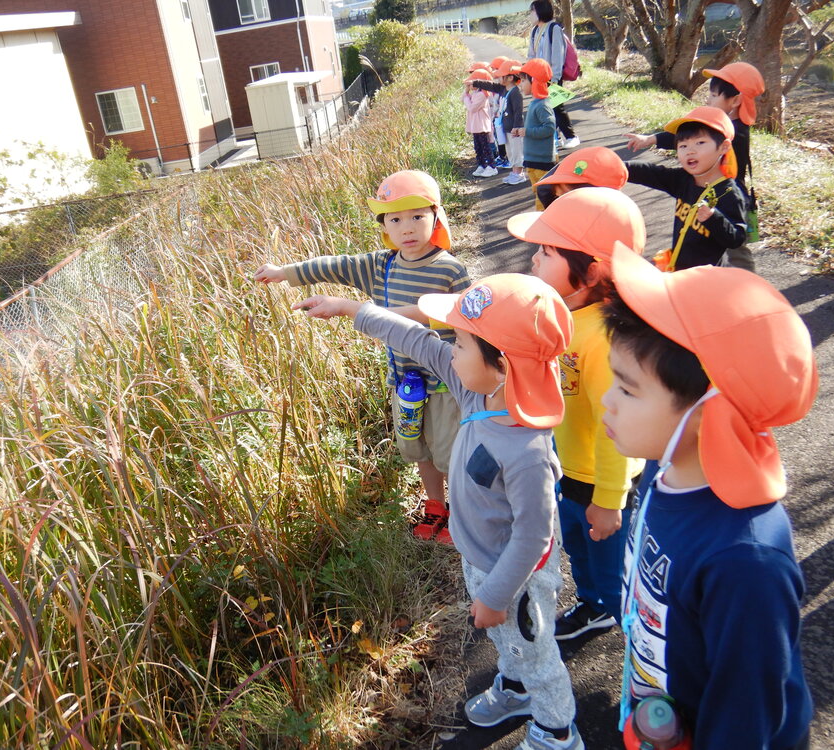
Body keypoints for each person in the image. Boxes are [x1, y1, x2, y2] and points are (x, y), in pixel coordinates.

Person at [293, 274, 583, 750]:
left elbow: (534, 536)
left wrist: (493, 595)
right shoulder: (476, 391)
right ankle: (514, 688)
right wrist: (351, 309)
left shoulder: (527, 450)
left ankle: (557, 729)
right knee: (513, 646)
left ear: (503, 365)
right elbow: (419, 340)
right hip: (484, 559)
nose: (450, 352)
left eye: (462, 344)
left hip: (516, 578)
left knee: (538, 654)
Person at [602, 244, 816, 750]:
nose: (606, 401)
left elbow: (747, 711)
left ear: (708, 415)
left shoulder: (745, 562)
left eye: (628, 390)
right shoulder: (665, 464)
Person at [254, 170, 470, 542]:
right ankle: (435, 507)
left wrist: (367, 311)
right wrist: (284, 272)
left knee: (450, 452)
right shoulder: (381, 266)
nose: (407, 227)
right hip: (404, 381)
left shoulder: (449, 269)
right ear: (384, 225)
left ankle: (464, 517)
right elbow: (332, 265)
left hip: (446, 382)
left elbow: (465, 312)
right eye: (395, 218)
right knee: (417, 448)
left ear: (436, 216)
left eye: (417, 216)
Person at [508, 188, 646, 641]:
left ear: (587, 273)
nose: (533, 261)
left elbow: (618, 429)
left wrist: (610, 499)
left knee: (606, 552)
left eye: (546, 253)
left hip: (601, 479)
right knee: (577, 546)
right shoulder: (564, 312)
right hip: (568, 467)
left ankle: (618, 615)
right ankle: (592, 600)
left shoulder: (602, 339)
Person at [624, 62, 766, 271]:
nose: (708, 100)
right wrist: (651, 140)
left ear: (735, 100)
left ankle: (745, 286)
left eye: (714, 95)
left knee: (736, 252)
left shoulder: (734, 133)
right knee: (703, 241)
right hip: (705, 192)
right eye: (684, 146)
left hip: (723, 198)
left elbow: (691, 138)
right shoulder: (689, 174)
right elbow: (683, 139)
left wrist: (652, 140)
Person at [624, 106, 746, 271]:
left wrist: (713, 218)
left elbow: (736, 238)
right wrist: (619, 167)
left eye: (700, 143)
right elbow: (651, 173)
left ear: (724, 147)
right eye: (683, 146)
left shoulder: (728, 193)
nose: (690, 151)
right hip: (678, 269)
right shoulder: (684, 179)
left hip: (706, 279)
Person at [527, 0, 579, 150]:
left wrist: (555, 78)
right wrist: (530, 74)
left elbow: (558, 55)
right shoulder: (535, 31)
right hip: (538, 77)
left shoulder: (554, 28)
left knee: (556, 107)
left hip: (552, 76)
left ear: (540, 11)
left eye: (532, 11)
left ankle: (571, 136)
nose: (530, 15)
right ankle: (557, 138)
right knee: (545, 108)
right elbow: (531, 54)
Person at [473, 59, 526, 184]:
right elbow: (491, 86)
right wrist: (476, 82)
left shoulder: (515, 93)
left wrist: (517, 126)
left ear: (510, 77)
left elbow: (518, 111)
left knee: (517, 151)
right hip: (505, 127)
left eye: (501, 76)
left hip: (514, 129)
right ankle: (514, 172)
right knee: (510, 152)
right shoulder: (503, 89)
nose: (499, 79)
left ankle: (519, 174)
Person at [535, 146, 629, 208]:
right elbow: (544, 188)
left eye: (564, 194)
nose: (559, 195)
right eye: (557, 195)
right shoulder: (547, 190)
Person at [518, 58, 556, 209]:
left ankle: (543, 223)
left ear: (533, 80)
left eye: (522, 81)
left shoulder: (542, 105)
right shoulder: (535, 103)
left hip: (542, 161)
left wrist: (527, 132)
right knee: (538, 192)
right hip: (532, 159)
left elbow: (549, 128)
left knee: (543, 196)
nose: (520, 84)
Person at [464, 69, 497, 178]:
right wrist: (466, 92)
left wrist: (466, 98)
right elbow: (463, 99)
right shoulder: (476, 93)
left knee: (485, 147)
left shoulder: (482, 94)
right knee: (478, 147)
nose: (470, 85)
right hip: (475, 126)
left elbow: (472, 108)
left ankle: (491, 166)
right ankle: (481, 164)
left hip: (481, 125)